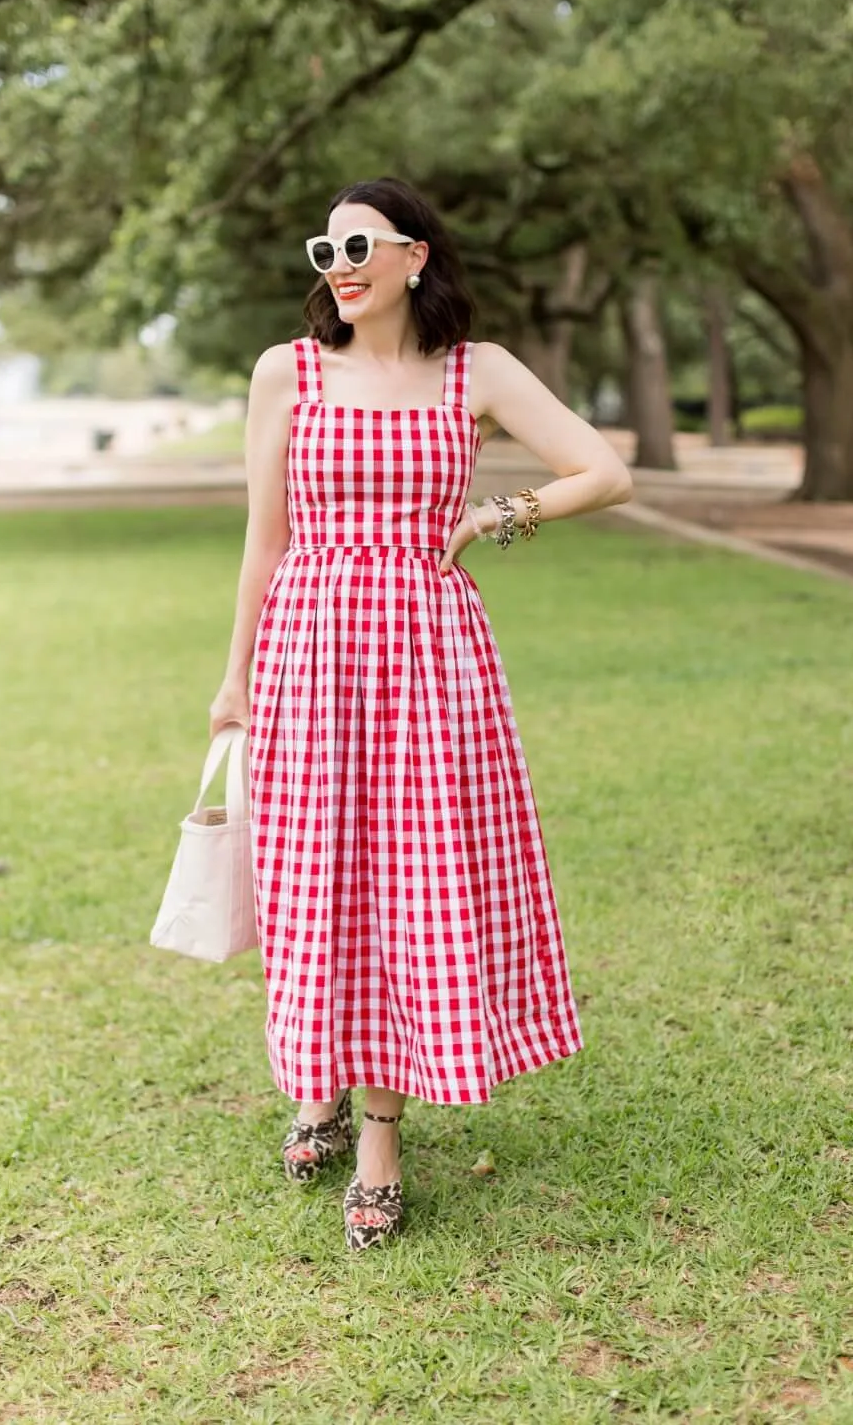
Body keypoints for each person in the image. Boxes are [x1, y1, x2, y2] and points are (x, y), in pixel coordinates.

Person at [209, 177, 633, 1253]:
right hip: (310, 649)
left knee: (413, 880)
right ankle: (318, 1086)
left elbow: (603, 469)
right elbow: (264, 543)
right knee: (315, 883)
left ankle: (380, 1140)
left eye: (358, 245)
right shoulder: (286, 373)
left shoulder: (474, 372)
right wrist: (233, 681)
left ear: (415, 256)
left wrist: (499, 513)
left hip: (429, 662)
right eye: (325, 250)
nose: (338, 265)